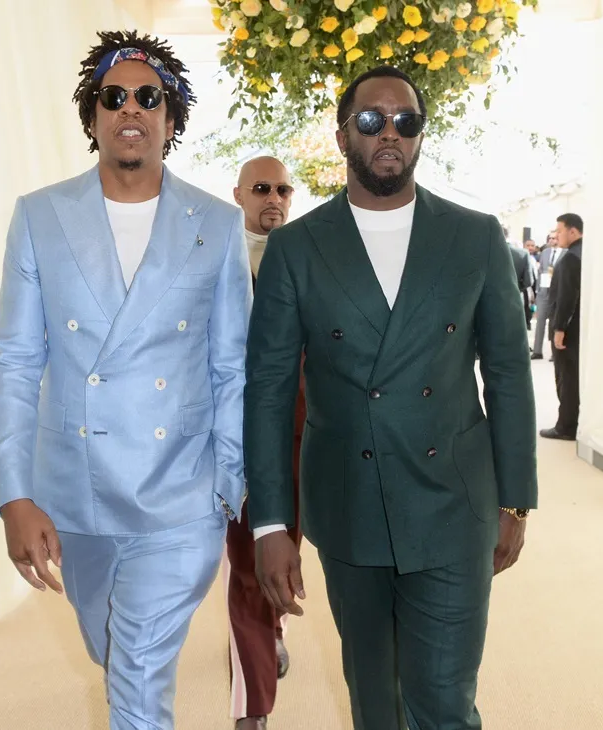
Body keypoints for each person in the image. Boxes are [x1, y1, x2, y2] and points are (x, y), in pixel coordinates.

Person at [243, 65, 538, 730]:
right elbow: (266, 393)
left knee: (443, 700)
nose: (389, 133)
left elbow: (508, 374)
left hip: (453, 501)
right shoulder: (296, 248)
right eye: (372, 119)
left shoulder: (474, 235)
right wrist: (269, 524)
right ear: (343, 132)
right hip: (349, 504)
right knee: (375, 701)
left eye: (405, 121)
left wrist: (516, 495)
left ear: (421, 136)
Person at [0, 30, 250, 729]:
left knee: (135, 669)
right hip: (78, 494)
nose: (130, 108)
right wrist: (15, 495)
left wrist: (231, 482)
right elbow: (15, 360)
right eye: (114, 96)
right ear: (92, 113)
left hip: (181, 493)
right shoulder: (39, 216)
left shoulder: (218, 226)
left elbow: (232, 365)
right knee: (111, 651)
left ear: (171, 116)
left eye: (148, 97)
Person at [224, 156, 305, 730]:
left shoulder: (309, 256)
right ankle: (253, 710)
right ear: (239, 195)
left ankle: (270, 628)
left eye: (281, 189)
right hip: (235, 439)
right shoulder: (215, 258)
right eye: (260, 188)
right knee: (249, 565)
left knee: (282, 556)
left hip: (301, 438)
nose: (272, 198)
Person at [541, 213, 583, 440]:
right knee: (573, 377)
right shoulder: (585, 254)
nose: (556, 235)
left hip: (568, 330)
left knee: (565, 378)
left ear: (573, 231)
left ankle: (565, 426)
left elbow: (566, 297)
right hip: (580, 328)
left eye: (560, 230)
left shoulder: (570, 259)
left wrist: (559, 329)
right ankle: (571, 422)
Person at [531, 232, 563, 360]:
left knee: (554, 323)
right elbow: (540, 272)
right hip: (543, 292)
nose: (552, 240)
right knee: (540, 322)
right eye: (550, 238)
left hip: (558, 293)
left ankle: (554, 353)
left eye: (554, 238)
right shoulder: (545, 253)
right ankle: (537, 351)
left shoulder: (565, 253)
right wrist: (538, 290)